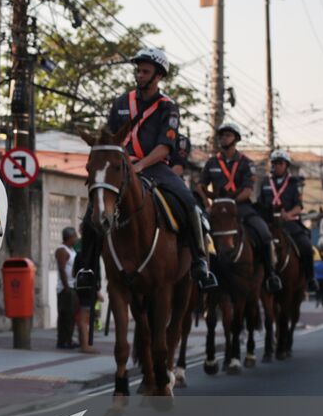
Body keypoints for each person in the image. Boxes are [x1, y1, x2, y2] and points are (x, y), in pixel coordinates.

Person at [73, 47, 219, 295]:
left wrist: (139, 165)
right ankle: (87, 269)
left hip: (154, 167)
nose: (139, 75)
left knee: (188, 202)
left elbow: (165, 147)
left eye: (145, 71)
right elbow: (109, 138)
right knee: (93, 210)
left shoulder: (168, 108)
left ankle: (199, 263)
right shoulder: (121, 103)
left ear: (158, 76)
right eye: (138, 70)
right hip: (121, 168)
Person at [200, 123, 282, 291]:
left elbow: (247, 190)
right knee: (197, 230)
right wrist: (208, 204)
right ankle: (201, 272)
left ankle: (271, 274)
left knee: (264, 232)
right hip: (217, 208)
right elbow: (201, 185)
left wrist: (232, 202)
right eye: (222, 135)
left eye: (228, 135)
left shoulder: (247, 163)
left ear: (236, 139)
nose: (224, 138)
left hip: (240, 205)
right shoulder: (212, 162)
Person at [257, 149, 316, 302]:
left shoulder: (293, 183)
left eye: (280, 163)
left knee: (306, 246)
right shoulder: (264, 182)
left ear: (286, 165)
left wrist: (288, 215)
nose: (277, 166)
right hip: (270, 223)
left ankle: (310, 279)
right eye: (275, 163)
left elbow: (299, 206)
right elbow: (260, 203)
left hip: (289, 222)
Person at [55, 227, 77, 349]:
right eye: (75, 236)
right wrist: (66, 286)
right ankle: (64, 340)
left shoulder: (71, 249)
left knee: (71, 315)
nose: (76, 238)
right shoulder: (62, 250)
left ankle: (67, 339)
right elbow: (62, 269)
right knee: (66, 315)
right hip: (65, 288)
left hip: (72, 285)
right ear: (69, 237)